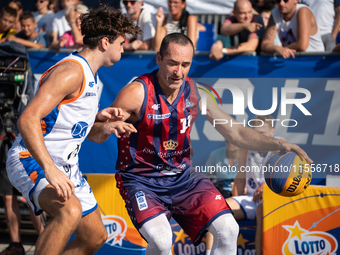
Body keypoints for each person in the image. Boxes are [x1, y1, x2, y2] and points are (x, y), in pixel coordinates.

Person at [87, 33, 312, 255]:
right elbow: (94, 135)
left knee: (228, 229)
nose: (179, 72)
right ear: (158, 59)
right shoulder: (137, 93)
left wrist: (279, 145)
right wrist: (105, 127)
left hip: (184, 178)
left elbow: (235, 132)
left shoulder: (196, 93)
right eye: (173, 63)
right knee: (162, 241)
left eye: (185, 65)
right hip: (142, 180)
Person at [6, 6, 140, 255]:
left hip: (66, 167)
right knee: (69, 211)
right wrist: (50, 169)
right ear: (104, 42)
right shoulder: (71, 72)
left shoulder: (91, 75)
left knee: (95, 236)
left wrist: (105, 124)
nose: (123, 48)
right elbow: (27, 120)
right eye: (121, 43)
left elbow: (90, 135)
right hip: (31, 159)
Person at [226, 115, 284, 255]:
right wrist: (236, 200)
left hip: (272, 199)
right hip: (251, 198)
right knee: (219, 210)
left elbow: (282, 175)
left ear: (272, 132)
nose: (258, 137)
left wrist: (265, 185)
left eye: (262, 133)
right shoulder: (245, 147)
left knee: (260, 210)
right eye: (255, 133)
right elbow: (240, 178)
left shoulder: (280, 145)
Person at [205, 140, 240, 255]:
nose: (229, 142)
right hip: (219, 194)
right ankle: (208, 252)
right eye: (227, 140)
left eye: (232, 140)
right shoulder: (216, 154)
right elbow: (207, 177)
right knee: (214, 215)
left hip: (239, 196)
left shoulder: (247, 156)